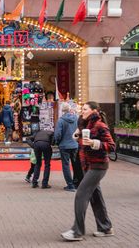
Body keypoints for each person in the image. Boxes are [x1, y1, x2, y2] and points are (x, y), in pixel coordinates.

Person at [61, 101, 115, 241]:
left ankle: (77, 231)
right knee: (95, 197)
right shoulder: (84, 125)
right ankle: (105, 227)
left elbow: (111, 146)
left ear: (94, 111)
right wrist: (79, 134)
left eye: (85, 109)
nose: (82, 112)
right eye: (82, 109)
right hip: (88, 165)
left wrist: (94, 143)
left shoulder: (100, 125)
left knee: (81, 194)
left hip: (98, 166)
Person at [54, 102, 79, 192]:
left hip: (64, 146)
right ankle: (76, 182)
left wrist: (57, 142)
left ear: (62, 110)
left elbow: (57, 134)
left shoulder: (61, 120)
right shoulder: (76, 118)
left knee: (66, 165)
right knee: (76, 164)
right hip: (75, 144)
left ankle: (70, 185)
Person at [26, 125, 53, 189]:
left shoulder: (37, 133)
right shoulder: (51, 133)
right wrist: (52, 143)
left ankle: (34, 183)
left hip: (37, 145)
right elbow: (54, 140)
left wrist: (33, 146)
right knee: (47, 164)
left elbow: (28, 139)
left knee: (38, 163)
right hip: (46, 144)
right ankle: (45, 184)